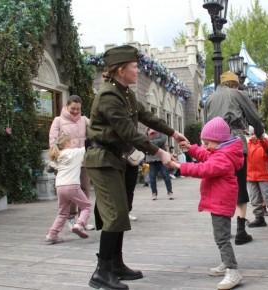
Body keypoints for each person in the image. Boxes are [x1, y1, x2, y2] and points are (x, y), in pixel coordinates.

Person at [84, 45, 187, 290]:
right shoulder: (108, 96)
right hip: (102, 159)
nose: (138, 71)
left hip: (117, 159)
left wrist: (173, 132)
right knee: (115, 214)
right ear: (121, 70)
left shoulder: (125, 93)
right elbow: (128, 132)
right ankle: (101, 272)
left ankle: (116, 264)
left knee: (122, 210)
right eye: (134, 67)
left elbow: (146, 117)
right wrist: (160, 152)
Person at [168, 117, 244, 290]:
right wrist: (191, 148)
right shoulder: (221, 152)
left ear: (217, 140)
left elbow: (203, 169)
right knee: (220, 236)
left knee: (222, 238)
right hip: (219, 201)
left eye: (207, 142)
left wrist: (180, 166)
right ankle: (226, 263)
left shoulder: (222, 158)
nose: (206, 146)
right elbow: (206, 154)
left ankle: (233, 270)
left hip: (221, 202)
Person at [205, 71, 265, 245]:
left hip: (214, 145)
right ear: (234, 84)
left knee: (220, 186)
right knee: (239, 187)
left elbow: (206, 125)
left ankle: (223, 230)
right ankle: (240, 231)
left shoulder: (209, 98)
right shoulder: (237, 94)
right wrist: (260, 134)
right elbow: (255, 117)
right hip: (234, 143)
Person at [49, 95, 94, 231]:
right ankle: (71, 217)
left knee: (84, 188)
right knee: (69, 190)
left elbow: (97, 128)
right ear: (67, 106)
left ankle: (83, 220)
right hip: (66, 162)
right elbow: (53, 141)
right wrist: (57, 158)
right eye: (73, 108)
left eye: (78, 109)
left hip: (82, 161)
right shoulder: (58, 121)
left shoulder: (84, 120)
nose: (75, 111)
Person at [45, 134, 92, 244]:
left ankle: (52, 234)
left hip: (60, 187)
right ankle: (79, 225)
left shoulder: (57, 156)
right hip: (72, 186)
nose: (74, 143)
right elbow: (88, 146)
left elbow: (51, 167)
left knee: (62, 212)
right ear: (66, 143)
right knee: (86, 206)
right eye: (72, 141)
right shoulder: (74, 153)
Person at [146, 129, 174, 200]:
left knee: (166, 175)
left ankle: (170, 192)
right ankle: (154, 193)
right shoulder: (146, 131)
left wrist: (151, 143)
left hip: (162, 158)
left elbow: (163, 140)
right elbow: (144, 142)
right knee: (152, 178)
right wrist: (154, 143)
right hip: (151, 158)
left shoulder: (160, 130)